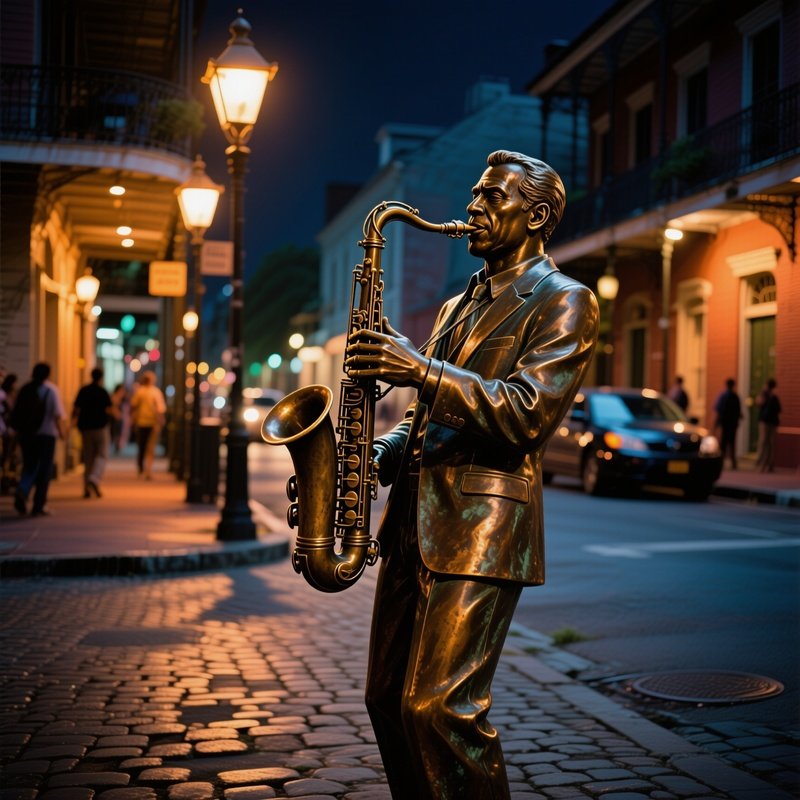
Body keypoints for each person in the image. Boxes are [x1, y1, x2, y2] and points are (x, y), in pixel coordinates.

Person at [347, 150, 599, 799]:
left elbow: (528, 413)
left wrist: (419, 369)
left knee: (439, 710)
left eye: (493, 198)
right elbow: (427, 412)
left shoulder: (565, 301)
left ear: (538, 215)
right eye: (474, 196)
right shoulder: (457, 304)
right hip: (412, 522)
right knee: (386, 700)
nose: (472, 209)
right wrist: (379, 453)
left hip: (481, 527)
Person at [12, 362, 67, 516]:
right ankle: (39, 504)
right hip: (47, 435)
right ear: (48, 374)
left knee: (29, 465)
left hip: (27, 435)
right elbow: (57, 415)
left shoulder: (25, 389)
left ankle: (23, 489)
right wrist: (62, 433)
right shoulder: (51, 390)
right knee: (44, 470)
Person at [72, 367, 113, 498]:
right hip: (100, 427)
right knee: (102, 455)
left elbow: (76, 408)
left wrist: (72, 423)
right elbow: (109, 409)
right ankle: (94, 478)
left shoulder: (84, 390)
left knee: (88, 457)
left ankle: (86, 488)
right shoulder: (102, 391)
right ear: (101, 377)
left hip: (85, 428)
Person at [129, 371, 166, 479]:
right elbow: (160, 409)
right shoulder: (156, 392)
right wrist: (161, 419)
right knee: (150, 447)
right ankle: (148, 470)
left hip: (141, 422)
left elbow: (133, 405)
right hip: (152, 423)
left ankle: (141, 468)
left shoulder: (139, 392)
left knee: (141, 446)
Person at [713, 377, 743, 470]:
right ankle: (733, 463)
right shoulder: (735, 396)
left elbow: (718, 410)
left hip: (725, 423)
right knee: (732, 443)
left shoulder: (723, 396)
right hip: (732, 423)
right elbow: (739, 411)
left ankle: (721, 462)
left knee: (724, 443)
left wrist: (716, 423)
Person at [756, 378, 781, 473]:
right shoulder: (775, 397)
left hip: (765, 421)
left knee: (763, 442)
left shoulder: (765, 394)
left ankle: (761, 464)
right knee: (771, 443)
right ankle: (770, 464)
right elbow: (779, 410)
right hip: (773, 422)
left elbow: (759, 402)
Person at [0, 372, 18, 494]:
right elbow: (8, 412)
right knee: (5, 457)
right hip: (5, 430)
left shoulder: (6, 395)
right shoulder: (4, 396)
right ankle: (5, 481)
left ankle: (6, 480)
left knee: (7, 457)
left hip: (6, 430)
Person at [109, 383, 128, 453]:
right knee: (114, 432)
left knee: (119, 432)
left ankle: (118, 446)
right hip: (115, 417)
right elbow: (113, 407)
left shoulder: (122, 397)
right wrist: (116, 414)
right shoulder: (114, 397)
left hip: (120, 417)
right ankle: (114, 445)